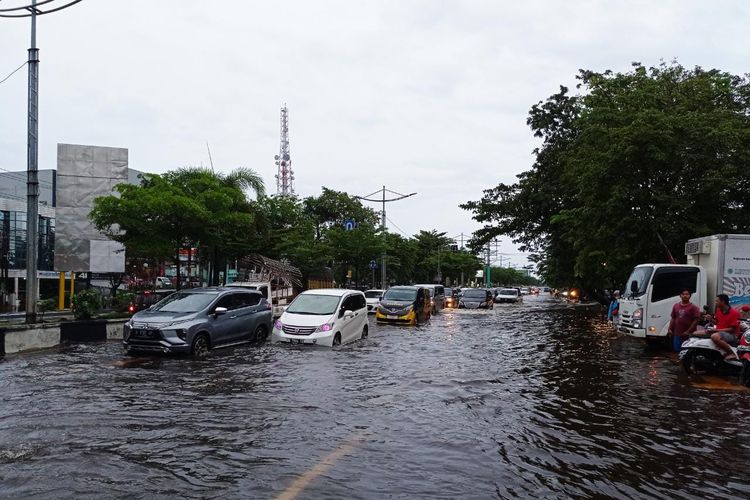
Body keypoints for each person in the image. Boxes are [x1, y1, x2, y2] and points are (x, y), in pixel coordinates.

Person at [706, 294, 741, 361]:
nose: (715, 302)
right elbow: (717, 323)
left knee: (714, 336)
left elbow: (732, 329)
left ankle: (732, 353)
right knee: (696, 333)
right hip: (720, 332)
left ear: (723, 302)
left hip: (732, 335)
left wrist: (715, 330)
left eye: (717, 301)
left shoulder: (734, 313)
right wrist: (710, 319)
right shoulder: (719, 311)